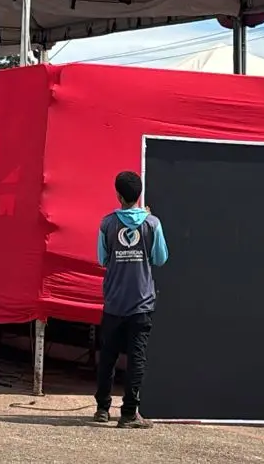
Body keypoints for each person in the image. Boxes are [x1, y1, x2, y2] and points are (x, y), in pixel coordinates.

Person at [93, 170, 168, 429]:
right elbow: (160, 259)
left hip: (114, 302)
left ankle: (102, 409)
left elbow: (101, 259)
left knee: (108, 357)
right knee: (136, 359)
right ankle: (128, 414)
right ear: (138, 196)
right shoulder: (153, 224)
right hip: (142, 304)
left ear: (118, 195)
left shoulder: (106, 224)